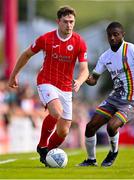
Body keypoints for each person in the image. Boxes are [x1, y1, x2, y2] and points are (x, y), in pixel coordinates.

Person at [8, 6, 89, 166]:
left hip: (66, 88)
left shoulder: (79, 42)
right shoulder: (46, 39)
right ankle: (43, 145)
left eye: (71, 21)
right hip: (46, 82)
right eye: (65, 21)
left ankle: (46, 154)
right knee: (56, 111)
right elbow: (26, 55)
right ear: (58, 22)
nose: (69, 25)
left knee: (64, 131)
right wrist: (14, 74)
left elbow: (84, 69)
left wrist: (79, 81)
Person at [78, 21, 134, 167]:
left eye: (116, 35)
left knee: (111, 126)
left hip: (132, 99)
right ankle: (91, 160)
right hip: (115, 97)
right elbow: (93, 80)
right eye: (109, 35)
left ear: (122, 35)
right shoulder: (105, 57)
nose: (112, 38)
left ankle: (113, 152)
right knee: (90, 126)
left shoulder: (133, 50)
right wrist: (83, 78)